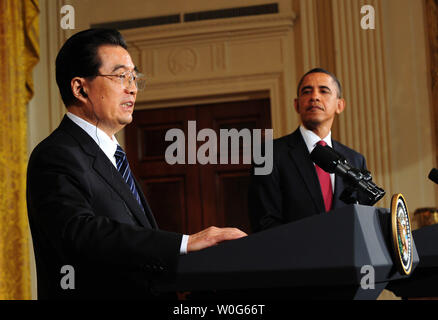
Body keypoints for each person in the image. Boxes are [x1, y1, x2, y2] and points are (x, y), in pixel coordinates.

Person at [26, 28, 246, 300]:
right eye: (120, 76)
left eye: (133, 77)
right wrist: (185, 243)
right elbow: (81, 235)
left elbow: (135, 249)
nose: (132, 87)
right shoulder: (56, 154)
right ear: (80, 88)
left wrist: (194, 271)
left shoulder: (113, 155)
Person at [248, 68, 368, 232]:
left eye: (324, 91)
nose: (314, 97)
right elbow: (265, 221)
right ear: (297, 105)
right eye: (307, 92)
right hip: (294, 255)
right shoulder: (268, 153)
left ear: (340, 105)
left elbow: (362, 219)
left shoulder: (355, 160)